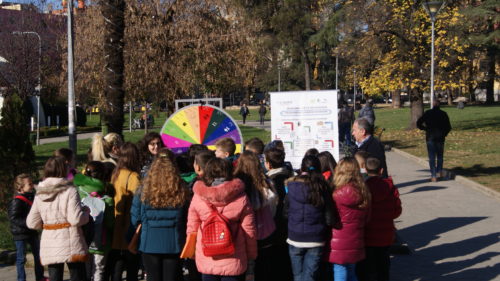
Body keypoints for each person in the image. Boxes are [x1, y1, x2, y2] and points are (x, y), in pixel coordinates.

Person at [186, 158, 257, 281]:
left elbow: (192, 228)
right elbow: (249, 231)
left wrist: (191, 253)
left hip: (207, 255)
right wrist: (251, 258)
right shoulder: (241, 196)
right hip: (234, 256)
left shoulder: (198, 196)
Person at [27, 157, 90, 281]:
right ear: (63, 170)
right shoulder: (70, 190)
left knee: (55, 277)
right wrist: (86, 213)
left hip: (50, 242)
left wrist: (49, 224)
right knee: (78, 276)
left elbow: (31, 222)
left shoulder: (40, 193)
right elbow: (76, 219)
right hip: (71, 240)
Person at [131, 149, 191, 281]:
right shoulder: (181, 188)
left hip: (149, 241)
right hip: (174, 241)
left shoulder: (143, 189)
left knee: (153, 277)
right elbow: (187, 217)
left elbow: (136, 218)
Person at [284, 155, 334, 281]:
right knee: (310, 276)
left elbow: (285, 212)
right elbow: (329, 216)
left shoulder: (292, 186)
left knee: (298, 276)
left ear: (301, 168)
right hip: (316, 237)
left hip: (295, 236)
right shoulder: (323, 187)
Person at [234, 151, 277, 281]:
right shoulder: (266, 183)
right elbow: (273, 206)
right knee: (264, 269)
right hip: (266, 232)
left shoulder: (236, 186)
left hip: (244, 234)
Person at [356, 158, 402, 281]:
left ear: (365, 169)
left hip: (368, 233)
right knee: (384, 264)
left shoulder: (362, 188)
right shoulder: (390, 188)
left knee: (368, 267)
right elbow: (397, 211)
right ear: (381, 170)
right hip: (385, 234)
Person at [328, 157, 371, 281]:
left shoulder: (336, 194)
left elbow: (332, 216)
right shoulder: (364, 192)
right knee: (352, 270)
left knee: (340, 269)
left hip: (338, 238)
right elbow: (367, 217)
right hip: (357, 236)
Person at [74, 161, 115, 281]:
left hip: (81, 237)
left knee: (84, 270)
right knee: (98, 270)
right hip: (101, 239)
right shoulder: (107, 199)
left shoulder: (77, 192)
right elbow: (110, 223)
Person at [109, 142, 141, 281]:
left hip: (115, 221)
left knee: (117, 260)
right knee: (131, 263)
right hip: (129, 223)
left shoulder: (116, 173)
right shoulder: (133, 176)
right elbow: (138, 200)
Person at [263, 147, 294, 281]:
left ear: (268, 164)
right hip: (289, 225)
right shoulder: (292, 178)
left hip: (274, 225)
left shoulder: (268, 182)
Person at [9, 174, 46, 281]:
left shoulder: (31, 196)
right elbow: (14, 218)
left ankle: (40, 277)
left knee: (38, 256)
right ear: (20, 187)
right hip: (20, 234)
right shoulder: (17, 201)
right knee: (21, 259)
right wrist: (29, 223)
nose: (32, 185)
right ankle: (21, 279)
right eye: (29, 184)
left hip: (32, 232)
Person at [417, 100, 452, 182]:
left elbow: (419, 123)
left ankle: (433, 175)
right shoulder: (443, 114)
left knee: (431, 157)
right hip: (440, 137)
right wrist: (444, 133)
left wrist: (425, 128)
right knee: (440, 156)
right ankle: (439, 171)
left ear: (432, 105)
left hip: (430, 136)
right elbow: (448, 127)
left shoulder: (428, 113)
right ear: (439, 105)